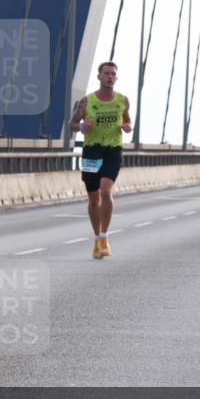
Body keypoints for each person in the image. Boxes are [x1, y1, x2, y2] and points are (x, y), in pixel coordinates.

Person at [68, 61, 131, 258]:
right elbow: (71, 125)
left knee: (106, 190)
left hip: (112, 150)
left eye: (113, 74)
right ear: (99, 77)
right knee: (94, 198)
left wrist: (128, 127)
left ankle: (104, 237)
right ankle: (97, 238)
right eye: (106, 73)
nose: (110, 77)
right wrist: (82, 127)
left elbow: (128, 119)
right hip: (92, 151)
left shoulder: (123, 100)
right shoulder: (86, 102)